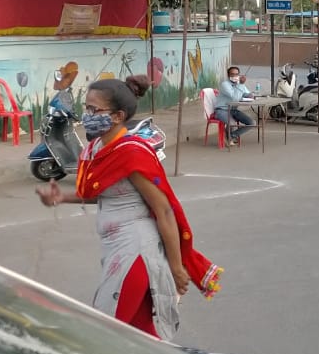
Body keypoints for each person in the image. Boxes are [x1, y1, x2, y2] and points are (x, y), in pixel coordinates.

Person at [35, 76, 221, 339]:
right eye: (86, 108)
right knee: (141, 336)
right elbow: (105, 192)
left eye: (94, 110)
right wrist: (62, 197)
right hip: (116, 250)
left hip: (134, 254)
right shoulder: (96, 149)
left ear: (117, 116)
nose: (87, 116)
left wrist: (177, 267)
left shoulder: (131, 152)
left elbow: (164, 210)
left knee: (104, 336)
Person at [212, 66, 255, 145]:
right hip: (222, 110)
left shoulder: (238, 84)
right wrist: (241, 84)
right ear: (228, 75)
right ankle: (229, 137)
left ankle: (231, 136)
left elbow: (245, 93)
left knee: (252, 123)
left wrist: (250, 95)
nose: (235, 76)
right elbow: (235, 97)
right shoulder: (225, 84)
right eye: (232, 74)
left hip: (233, 110)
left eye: (236, 74)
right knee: (232, 124)